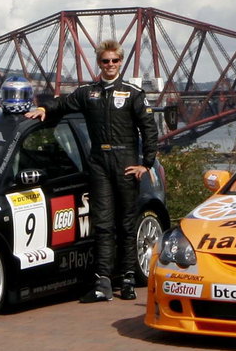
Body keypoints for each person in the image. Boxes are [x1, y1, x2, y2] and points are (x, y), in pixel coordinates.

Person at [26, 40, 157, 303]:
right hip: (99, 161)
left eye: (114, 61)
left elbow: (149, 129)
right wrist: (43, 108)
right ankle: (103, 282)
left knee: (127, 224)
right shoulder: (88, 93)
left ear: (121, 62)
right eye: (105, 61)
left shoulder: (132, 93)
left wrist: (147, 163)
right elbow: (62, 103)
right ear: (99, 64)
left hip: (126, 161)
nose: (110, 65)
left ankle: (129, 278)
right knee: (104, 224)